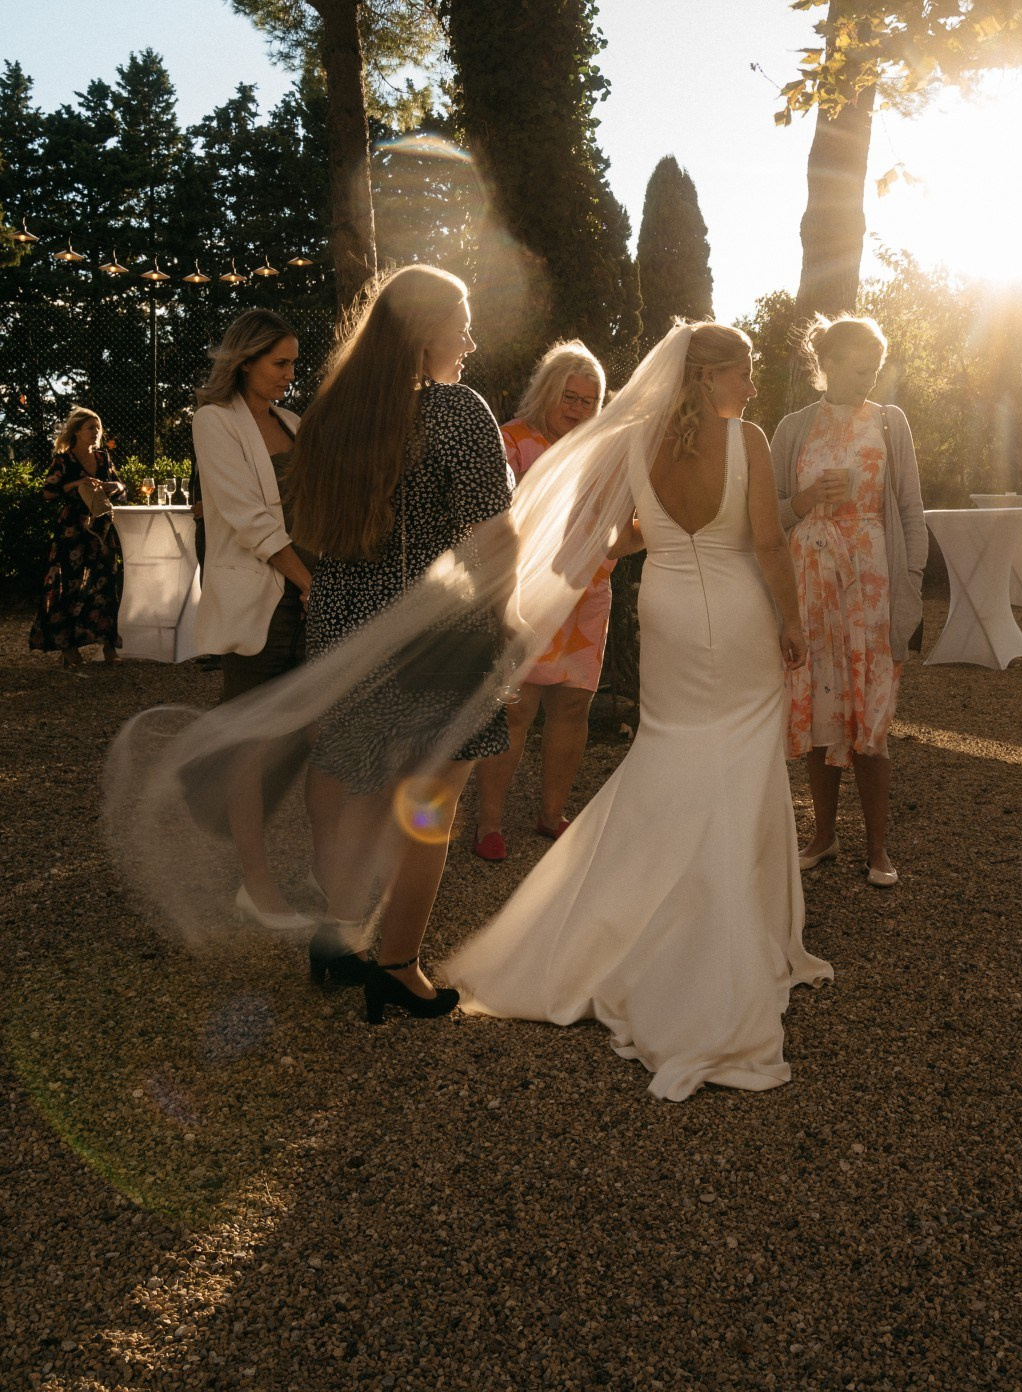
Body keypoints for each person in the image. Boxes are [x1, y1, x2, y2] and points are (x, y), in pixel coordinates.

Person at [446, 321, 832, 1101]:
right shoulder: (746, 439)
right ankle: (727, 934)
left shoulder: (636, 441)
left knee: (668, 750)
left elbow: (629, 534)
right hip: (734, 607)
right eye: (745, 371)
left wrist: (601, 549)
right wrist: (793, 622)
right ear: (713, 375)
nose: (751, 387)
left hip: (668, 614)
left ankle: (623, 921)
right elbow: (765, 543)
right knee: (740, 760)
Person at [290, 265, 514, 1023]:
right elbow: (495, 537)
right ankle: (400, 966)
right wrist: (504, 619)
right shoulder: (456, 410)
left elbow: (312, 533)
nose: (471, 340)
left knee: (359, 791)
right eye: (461, 322)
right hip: (434, 636)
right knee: (429, 805)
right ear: (424, 334)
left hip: (345, 629)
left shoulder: (331, 415)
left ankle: (337, 939)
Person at [771, 315, 926, 887]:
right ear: (828, 363)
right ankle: (823, 835)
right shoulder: (791, 429)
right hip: (812, 585)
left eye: (875, 370)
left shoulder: (891, 423)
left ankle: (878, 848)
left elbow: (910, 507)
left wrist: (909, 578)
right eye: (860, 368)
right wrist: (807, 498)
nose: (868, 379)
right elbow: (770, 515)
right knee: (818, 710)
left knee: (873, 717)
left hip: (874, 583)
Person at [190, 309, 314, 933]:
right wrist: (307, 580)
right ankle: (255, 884)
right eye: (280, 363)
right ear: (244, 362)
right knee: (251, 740)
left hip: (312, 595)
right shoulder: (214, 423)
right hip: (265, 602)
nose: (291, 374)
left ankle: (315, 871)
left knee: (309, 735)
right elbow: (248, 518)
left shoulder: (293, 422)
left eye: (294, 362)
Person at [472, 341, 612, 860]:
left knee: (574, 704)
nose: (577, 409)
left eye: (588, 400)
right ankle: (488, 822)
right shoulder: (509, 440)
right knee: (516, 708)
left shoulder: (601, 449)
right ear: (547, 393)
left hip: (587, 591)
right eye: (568, 397)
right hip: (525, 592)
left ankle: (551, 814)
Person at [29, 408, 125, 668]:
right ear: (77, 433)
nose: (96, 433)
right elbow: (48, 493)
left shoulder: (104, 458)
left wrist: (112, 487)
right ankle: (68, 648)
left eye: (98, 428)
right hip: (72, 530)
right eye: (90, 428)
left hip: (102, 528)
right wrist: (75, 484)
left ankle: (108, 646)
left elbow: (121, 487)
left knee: (106, 583)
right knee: (69, 586)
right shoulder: (63, 460)